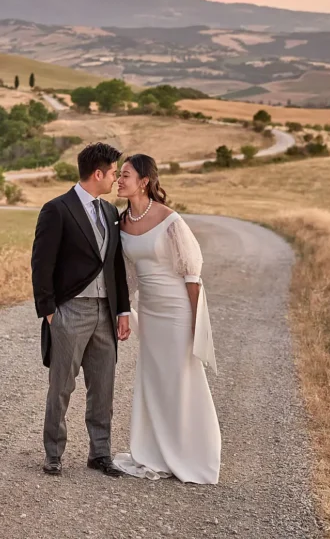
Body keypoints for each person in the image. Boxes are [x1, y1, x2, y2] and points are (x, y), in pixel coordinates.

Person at [113, 153, 221, 484]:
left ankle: (194, 455)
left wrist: (195, 320)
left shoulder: (169, 219)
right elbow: (128, 276)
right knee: (153, 380)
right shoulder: (122, 222)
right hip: (149, 311)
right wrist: (123, 312)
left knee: (181, 380)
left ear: (144, 182)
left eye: (126, 175)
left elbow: (191, 273)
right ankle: (154, 452)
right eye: (119, 174)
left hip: (176, 309)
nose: (119, 180)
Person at [31, 143, 132, 477]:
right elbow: (41, 264)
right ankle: (53, 454)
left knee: (103, 387)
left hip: (106, 312)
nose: (116, 178)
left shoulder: (110, 212)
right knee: (61, 387)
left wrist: (122, 310)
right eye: (113, 172)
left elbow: (115, 265)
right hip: (69, 311)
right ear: (98, 173)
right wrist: (49, 312)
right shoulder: (57, 209)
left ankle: (100, 453)